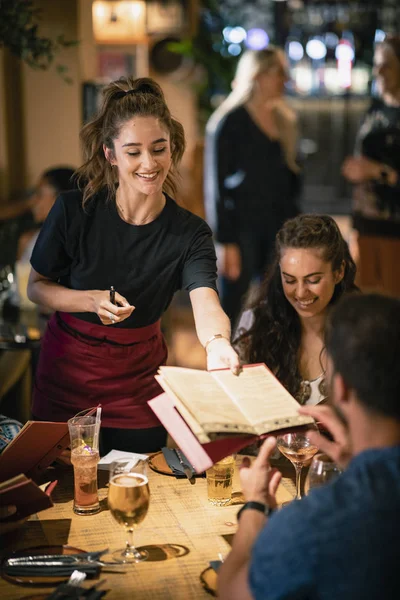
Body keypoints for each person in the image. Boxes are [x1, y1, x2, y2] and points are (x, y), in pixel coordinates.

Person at [27, 77, 240, 455]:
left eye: (159, 149)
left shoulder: (189, 233)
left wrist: (217, 343)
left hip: (138, 380)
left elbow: (206, 299)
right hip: (67, 372)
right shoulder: (74, 211)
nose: (149, 163)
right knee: (61, 486)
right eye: (133, 152)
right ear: (110, 154)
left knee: (140, 480)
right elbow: (37, 286)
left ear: (172, 149)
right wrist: (90, 300)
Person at [218, 293, 400, 600]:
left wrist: (255, 506)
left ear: (340, 389)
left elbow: (232, 590)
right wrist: (354, 461)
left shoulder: (313, 523)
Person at [204, 47, 301, 328]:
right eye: (280, 72)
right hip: (241, 227)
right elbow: (215, 188)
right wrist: (225, 242)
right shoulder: (228, 121)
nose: (286, 79)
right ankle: (222, 365)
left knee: (276, 303)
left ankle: (268, 364)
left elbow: (290, 180)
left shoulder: (285, 120)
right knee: (232, 305)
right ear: (258, 76)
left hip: (279, 226)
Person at [234, 214, 358, 406]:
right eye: (289, 280)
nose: (300, 293)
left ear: (339, 272)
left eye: (313, 280)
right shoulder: (257, 323)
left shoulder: (361, 331)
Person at [342, 35, 400, 296]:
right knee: (365, 305)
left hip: (395, 228)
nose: (378, 71)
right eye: (377, 64)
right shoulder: (374, 109)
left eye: (386, 64)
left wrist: (379, 172)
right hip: (366, 223)